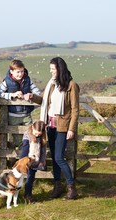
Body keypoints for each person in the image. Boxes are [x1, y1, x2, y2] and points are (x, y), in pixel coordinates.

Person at [30, 57, 80, 200]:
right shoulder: (52, 84)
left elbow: (75, 109)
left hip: (62, 126)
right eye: (50, 68)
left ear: (60, 69)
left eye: (53, 69)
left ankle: (72, 187)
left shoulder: (71, 85)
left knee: (59, 157)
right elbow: (45, 102)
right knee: (54, 156)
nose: (51, 71)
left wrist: (71, 129)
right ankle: (57, 186)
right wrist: (33, 97)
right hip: (49, 125)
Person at [0, 59, 41, 149]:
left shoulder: (28, 80)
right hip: (13, 116)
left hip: (26, 115)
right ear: (11, 71)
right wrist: (12, 95)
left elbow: (38, 92)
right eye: (18, 72)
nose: (20, 74)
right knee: (18, 140)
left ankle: (25, 158)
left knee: (30, 137)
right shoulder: (6, 82)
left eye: (22, 71)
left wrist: (31, 95)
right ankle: (21, 159)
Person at [20, 120, 47, 203]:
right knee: (27, 178)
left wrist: (42, 161)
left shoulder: (42, 138)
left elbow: (43, 150)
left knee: (31, 178)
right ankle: (26, 196)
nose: (37, 135)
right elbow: (25, 150)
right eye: (36, 133)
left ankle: (28, 194)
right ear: (32, 128)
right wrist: (24, 162)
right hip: (27, 162)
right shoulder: (27, 136)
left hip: (35, 161)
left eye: (39, 134)